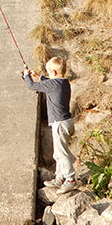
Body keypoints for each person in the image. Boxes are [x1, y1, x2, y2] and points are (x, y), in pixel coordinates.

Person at [22, 56, 76, 194]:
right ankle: (59, 178)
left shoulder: (53, 84)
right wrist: (39, 76)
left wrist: (26, 76)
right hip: (66, 123)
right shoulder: (63, 83)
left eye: (49, 72)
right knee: (58, 153)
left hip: (59, 124)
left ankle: (70, 180)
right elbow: (50, 83)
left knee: (62, 153)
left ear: (54, 73)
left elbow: (31, 86)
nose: (48, 75)